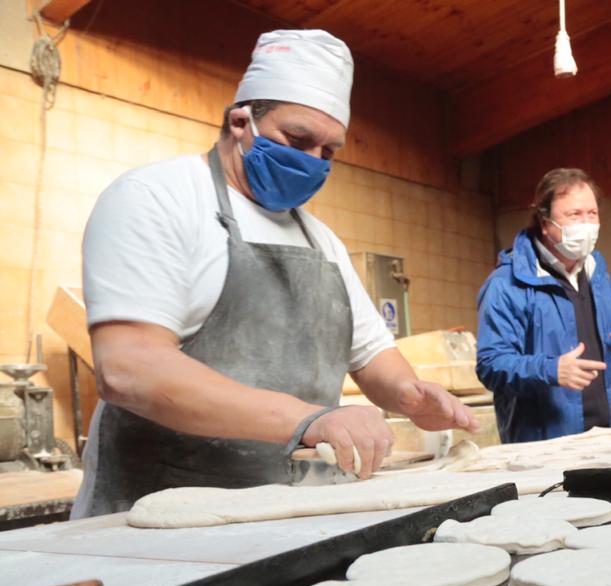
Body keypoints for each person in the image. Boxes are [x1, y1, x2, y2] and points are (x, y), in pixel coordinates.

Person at [72, 29, 475, 518]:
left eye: (328, 153)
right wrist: (308, 420)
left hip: (280, 512)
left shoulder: (320, 240)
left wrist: (411, 395)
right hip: (148, 519)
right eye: (297, 140)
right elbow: (129, 367)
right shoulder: (158, 197)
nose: (311, 163)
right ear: (241, 121)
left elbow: (370, 354)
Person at [476, 169, 611, 443]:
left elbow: (604, 333)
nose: (586, 223)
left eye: (592, 214)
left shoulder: (597, 272)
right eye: (574, 215)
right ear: (544, 222)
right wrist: (551, 370)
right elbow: (491, 365)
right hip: (547, 447)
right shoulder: (506, 284)